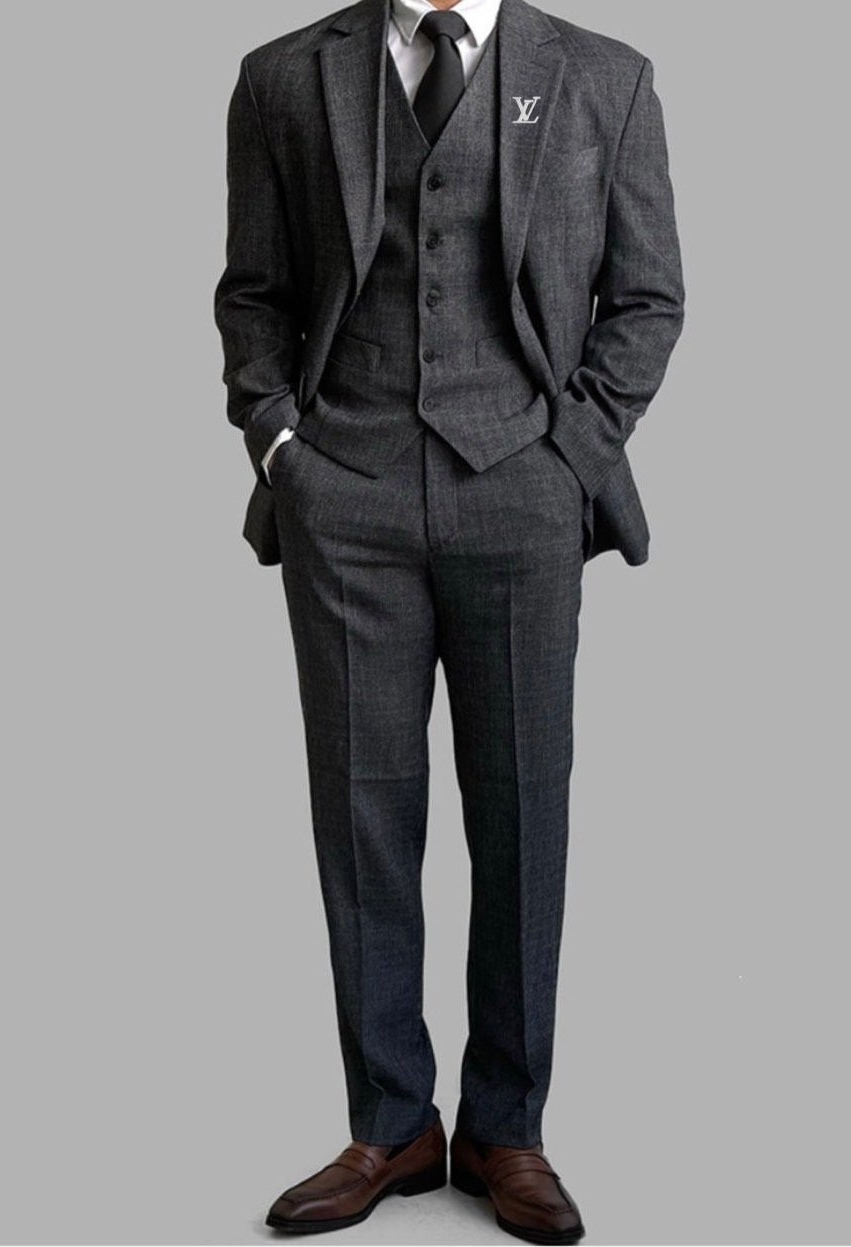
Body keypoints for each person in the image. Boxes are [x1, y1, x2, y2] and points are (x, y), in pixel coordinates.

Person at [214, 0, 684, 1239]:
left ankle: (505, 1127)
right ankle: (391, 1121)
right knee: (360, 811)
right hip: (345, 495)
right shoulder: (279, 79)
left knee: (524, 807)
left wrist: (570, 456)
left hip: (521, 488)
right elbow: (252, 294)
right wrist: (281, 450)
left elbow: (648, 295)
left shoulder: (605, 77)